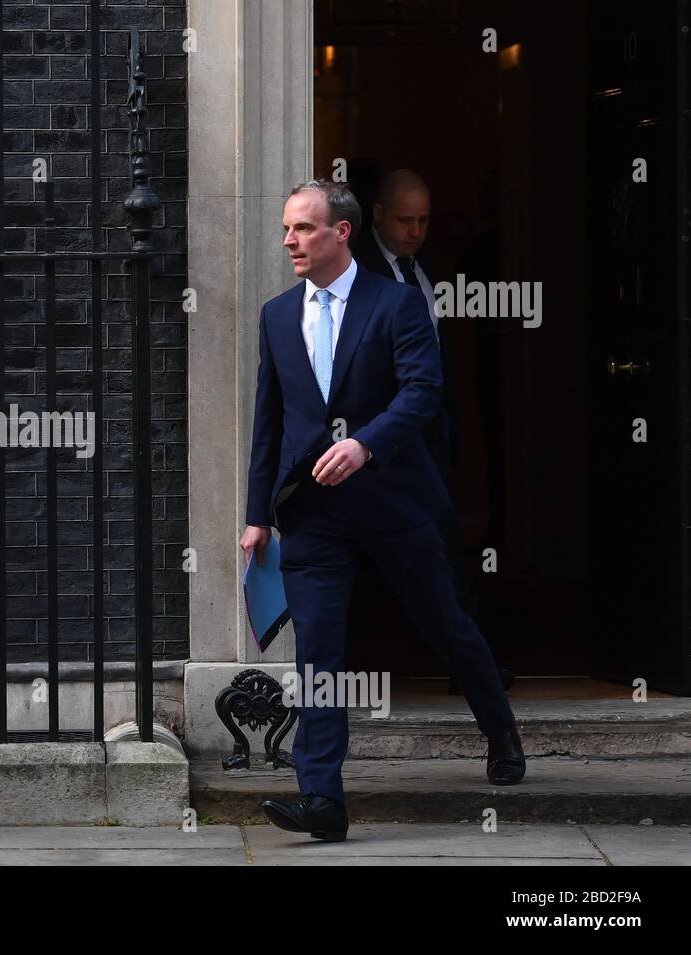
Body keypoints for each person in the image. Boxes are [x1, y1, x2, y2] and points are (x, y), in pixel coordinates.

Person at [239, 179, 524, 843]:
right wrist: (257, 513)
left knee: (445, 623)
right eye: (286, 229)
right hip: (312, 509)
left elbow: (424, 393)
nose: (289, 241)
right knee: (318, 652)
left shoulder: (396, 304)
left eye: (304, 229)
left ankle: (501, 728)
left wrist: (365, 445)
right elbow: (269, 421)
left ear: (342, 232)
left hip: (395, 499)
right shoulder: (277, 315)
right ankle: (321, 798)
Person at [354, 168, 515, 695]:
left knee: (445, 551)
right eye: (404, 220)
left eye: (423, 220)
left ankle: (472, 670)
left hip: (429, 441)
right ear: (376, 213)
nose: (414, 231)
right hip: (376, 444)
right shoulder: (357, 270)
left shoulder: (427, 268)